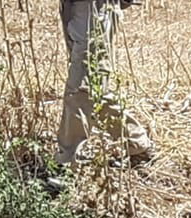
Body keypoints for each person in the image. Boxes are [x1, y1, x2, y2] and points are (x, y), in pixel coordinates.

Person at [56, 0, 155, 183]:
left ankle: (67, 164)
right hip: (77, 7)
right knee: (93, 88)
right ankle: (137, 142)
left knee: (81, 87)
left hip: (94, 6)